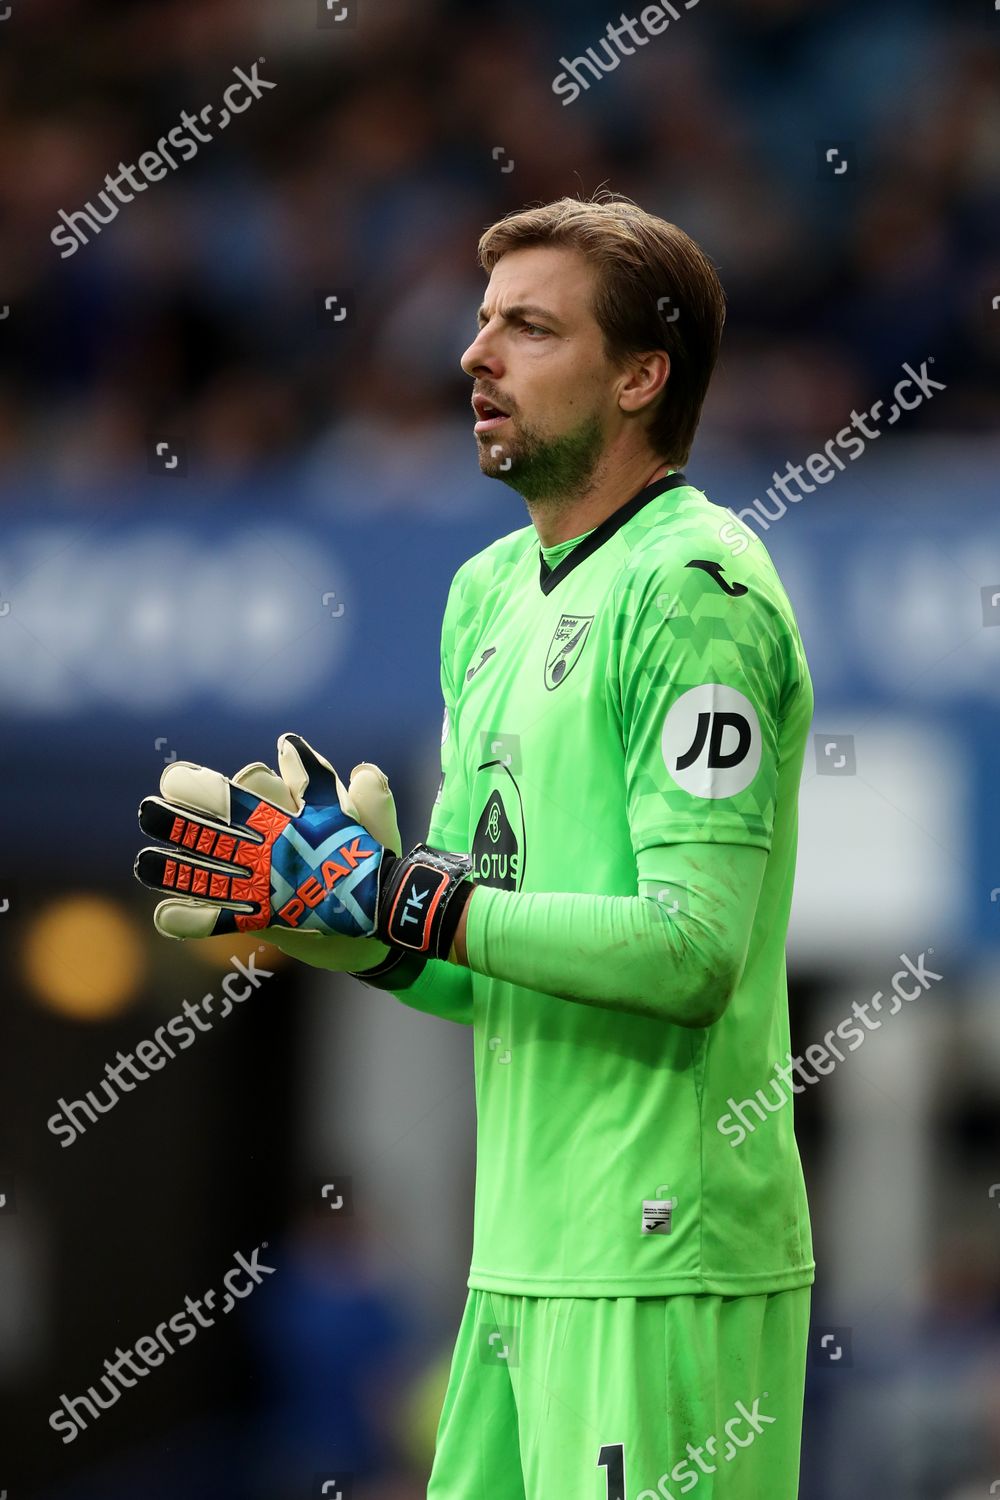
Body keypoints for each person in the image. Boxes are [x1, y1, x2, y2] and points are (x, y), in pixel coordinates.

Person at [136, 192, 815, 1499]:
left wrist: (408, 902)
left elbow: (692, 952)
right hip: (514, 1260)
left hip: (664, 1258)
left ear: (639, 377)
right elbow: (471, 955)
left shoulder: (693, 590)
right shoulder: (486, 594)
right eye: (483, 320)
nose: (475, 355)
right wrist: (341, 927)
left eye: (530, 328)